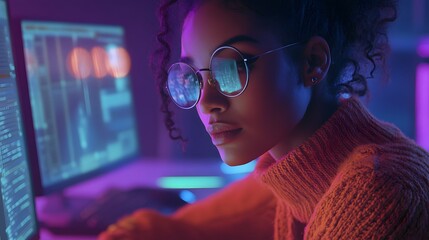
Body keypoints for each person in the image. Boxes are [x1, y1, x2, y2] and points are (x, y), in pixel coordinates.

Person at [99, 0, 429, 239]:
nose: (207, 101)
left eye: (231, 67)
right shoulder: (293, 173)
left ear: (312, 62)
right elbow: (169, 229)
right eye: (193, 77)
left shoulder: (377, 192)